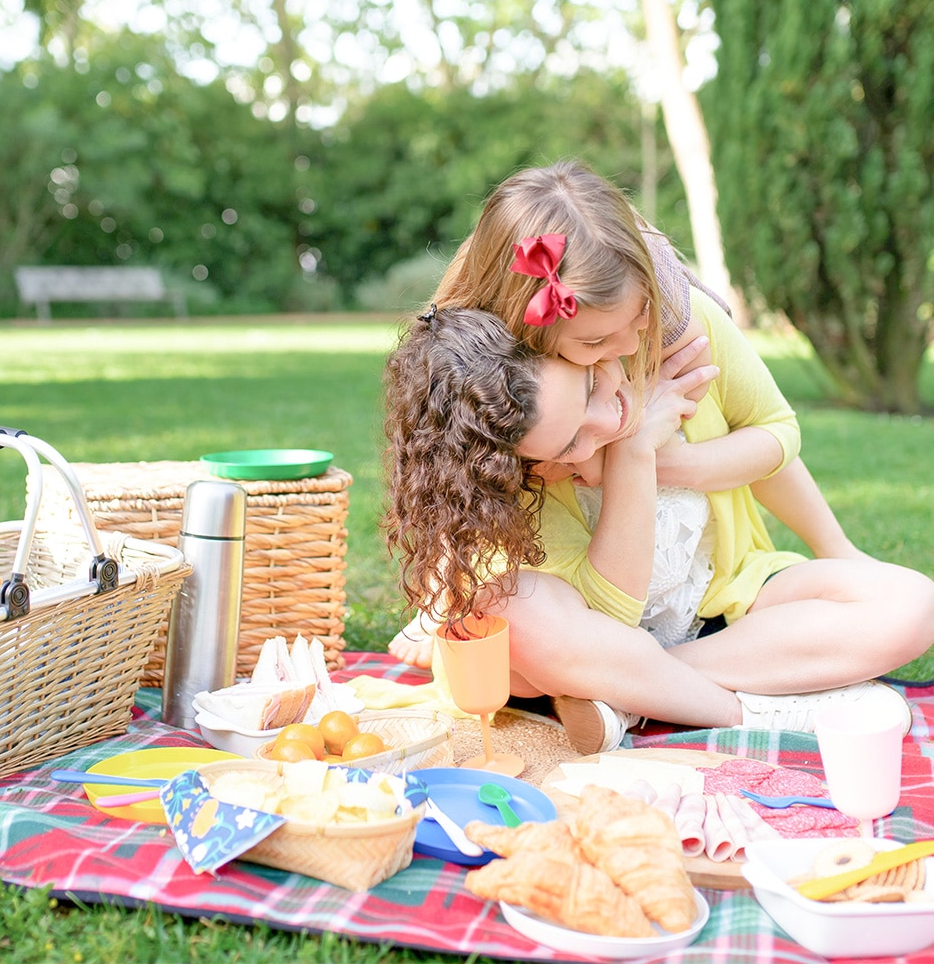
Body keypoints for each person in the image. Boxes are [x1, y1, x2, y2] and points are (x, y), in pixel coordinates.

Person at [373, 305, 934, 753]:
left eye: (593, 386)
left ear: (577, 344)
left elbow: (773, 439)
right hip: (589, 642)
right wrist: (632, 453)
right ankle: (750, 710)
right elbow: (610, 622)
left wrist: (836, 548)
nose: (606, 421)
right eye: (569, 443)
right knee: (513, 610)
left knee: (913, 604)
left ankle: (627, 700)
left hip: (719, 603)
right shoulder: (520, 454)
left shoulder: (674, 344)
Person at [389, 159, 871, 670]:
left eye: (640, 315)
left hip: (710, 586)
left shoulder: (676, 330)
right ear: (526, 331)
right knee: (512, 637)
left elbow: (775, 432)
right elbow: (451, 477)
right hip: (581, 603)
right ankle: (647, 676)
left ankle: (654, 679)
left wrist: (650, 460)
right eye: (594, 343)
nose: (626, 346)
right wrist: (444, 586)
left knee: (906, 608)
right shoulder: (503, 389)